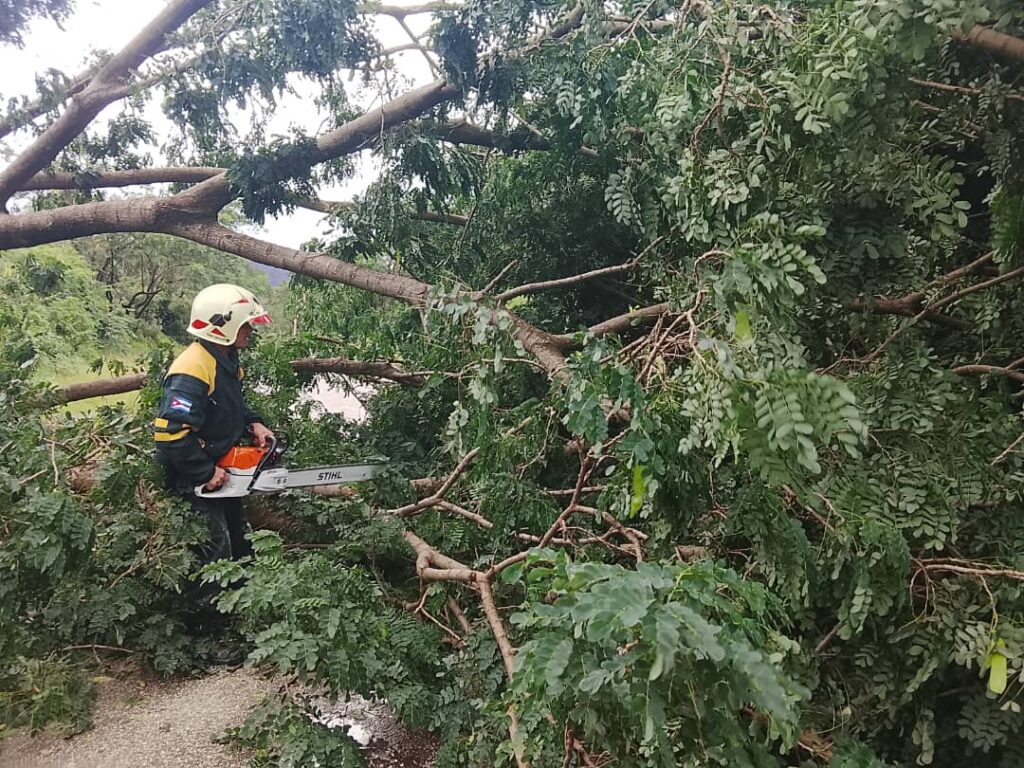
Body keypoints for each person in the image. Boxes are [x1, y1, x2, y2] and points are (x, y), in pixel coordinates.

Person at [152, 283, 274, 619]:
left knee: (239, 536)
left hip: (218, 465)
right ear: (224, 327)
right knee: (214, 547)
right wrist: (205, 473)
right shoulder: (191, 369)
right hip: (191, 471)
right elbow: (170, 434)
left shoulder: (225, 358)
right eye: (245, 325)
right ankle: (206, 627)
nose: (250, 331)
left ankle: (242, 610)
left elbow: (230, 403)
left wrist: (254, 423)